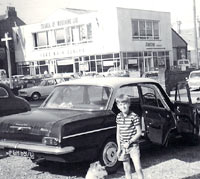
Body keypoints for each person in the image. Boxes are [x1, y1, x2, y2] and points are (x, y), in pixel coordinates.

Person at [116, 94, 144, 179]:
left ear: (129, 104)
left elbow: (139, 133)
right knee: (126, 169)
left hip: (133, 146)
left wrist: (129, 142)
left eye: (124, 104)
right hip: (123, 147)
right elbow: (118, 133)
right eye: (120, 104)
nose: (123, 106)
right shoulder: (118, 117)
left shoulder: (134, 116)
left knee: (138, 168)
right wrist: (119, 147)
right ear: (118, 106)